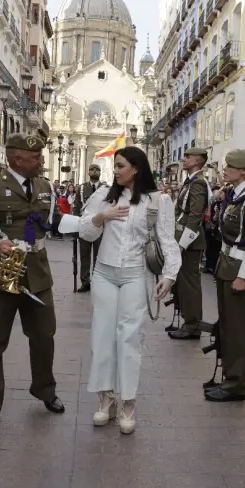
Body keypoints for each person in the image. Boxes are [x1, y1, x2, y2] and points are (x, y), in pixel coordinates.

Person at [0, 132, 80, 431]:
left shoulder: (44, 186)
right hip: (2, 275)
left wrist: (93, 222)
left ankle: (45, 390)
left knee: (44, 337)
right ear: (17, 158)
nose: (41, 161)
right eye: (36, 157)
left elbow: (53, 222)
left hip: (38, 274)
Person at [79, 147, 180, 433]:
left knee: (129, 337)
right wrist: (103, 217)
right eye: (116, 165)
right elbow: (85, 232)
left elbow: (166, 240)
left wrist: (170, 275)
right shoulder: (103, 196)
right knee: (102, 335)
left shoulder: (158, 201)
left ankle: (128, 402)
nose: (116, 170)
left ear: (136, 168)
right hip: (104, 273)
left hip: (137, 274)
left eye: (120, 165)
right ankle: (105, 398)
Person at [205, 150, 245, 402]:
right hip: (227, 266)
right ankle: (228, 378)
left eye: (231, 165)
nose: (225, 168)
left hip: (239, 271)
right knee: (228, 327)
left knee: (238, 330)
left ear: (244, 171)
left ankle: (235, 384)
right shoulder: (235, 195)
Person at [168, 147, 211, 341]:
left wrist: (182, 244)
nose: (183, 159)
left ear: (197, 161)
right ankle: (187, 320)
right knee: (183, 283)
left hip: (190, 241)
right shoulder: (191, 181)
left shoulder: (198, 183)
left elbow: (195, 216)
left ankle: (193, 325)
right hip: (183, 236)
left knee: (190, 284)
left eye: (188, 157)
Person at [72, 163, 104, 292]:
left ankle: (97, 281)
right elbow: (76, 206)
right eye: (92, 169)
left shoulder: (105, 188)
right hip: (85, 226)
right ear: (88, 172)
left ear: (100, 172)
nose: (95, 171)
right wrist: (75, 223)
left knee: (99, 256)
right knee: (84, 256)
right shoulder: (81, 188)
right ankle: (85, 282)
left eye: (97, 169)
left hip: (100, 227)